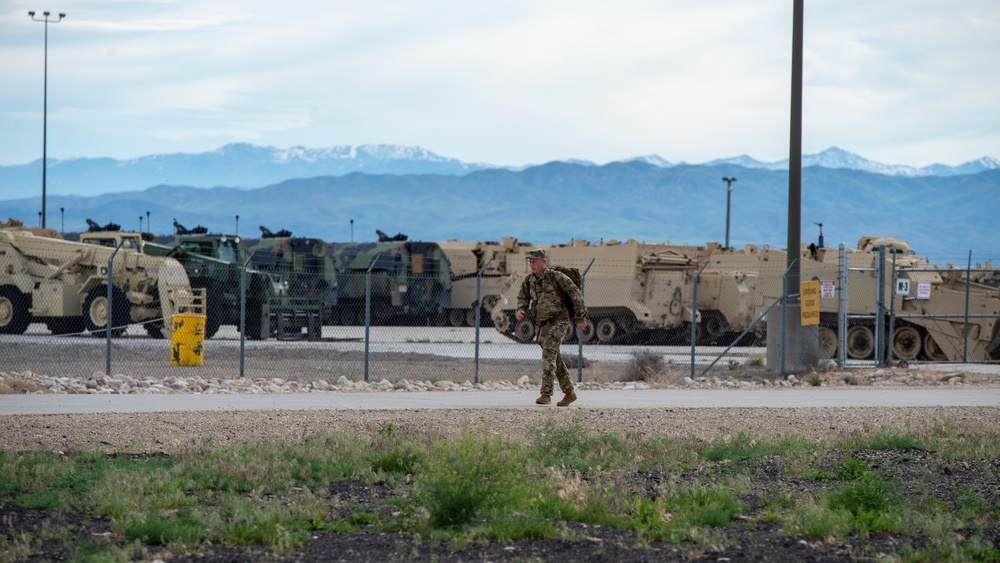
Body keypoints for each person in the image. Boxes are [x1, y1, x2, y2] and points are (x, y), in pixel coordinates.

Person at [515, 249, 588, 406]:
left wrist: (580, 317)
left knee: (548, 354)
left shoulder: (557, 277)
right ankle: (569, 393)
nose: (532, 264)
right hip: (544, 323)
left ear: (544, 262)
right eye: (530, 262)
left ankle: (546, 394)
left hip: (559, 320)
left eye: (535, 261)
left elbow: (575, 294)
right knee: (554, 356)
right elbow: (523, 297)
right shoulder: (529, 281)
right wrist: (520, 308)